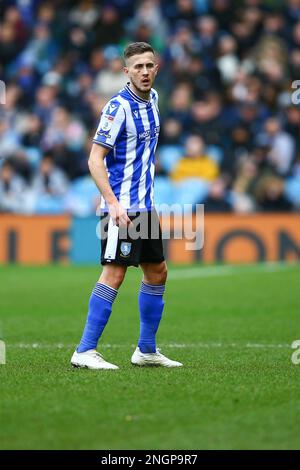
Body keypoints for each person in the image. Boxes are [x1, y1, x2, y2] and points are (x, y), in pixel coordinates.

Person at [71, 42, 183, 370]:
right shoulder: (117, 107)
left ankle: (146, 350)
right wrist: (112, 202)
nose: (144, 72)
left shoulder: (155, 99)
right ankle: (84, 350)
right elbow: (95, 159)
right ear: (126, 72)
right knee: (115, 273)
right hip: (122, 209)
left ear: (157, 67)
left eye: (149, 66)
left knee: (157, 272)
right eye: (138, 67)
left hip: (146, 208)